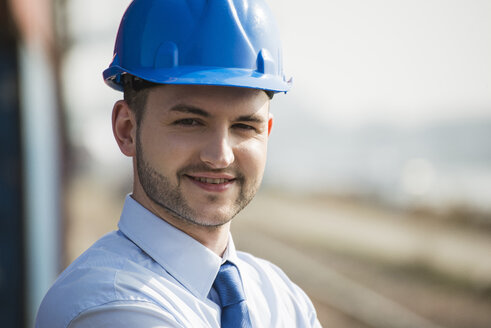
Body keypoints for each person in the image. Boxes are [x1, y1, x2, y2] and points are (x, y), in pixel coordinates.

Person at [36, 0, 321, 327]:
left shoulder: (283, 298)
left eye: (244, 126)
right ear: (127, 129)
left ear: (267, 132)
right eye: (190, 122)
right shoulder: (107, 306)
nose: (221, 156)